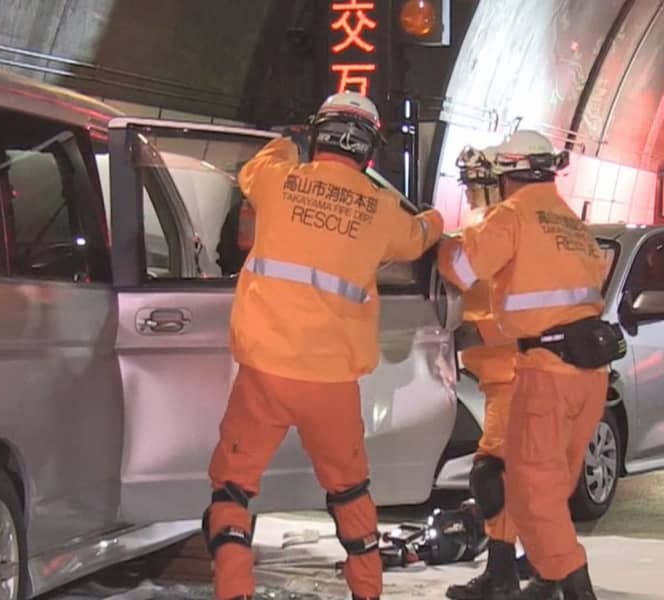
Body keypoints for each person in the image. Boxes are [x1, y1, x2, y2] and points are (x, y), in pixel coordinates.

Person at [203, 90, 444, 600]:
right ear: (368, 150)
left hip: (263, 373)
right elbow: (418, 237)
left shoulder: (278, 180)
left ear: (320, 134)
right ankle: (367, 592)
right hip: (331, 381)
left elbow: (261, 162)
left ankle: (233, 592)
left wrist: (289, 143)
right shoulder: (379, 210)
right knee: (350, 491)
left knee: (231, 488)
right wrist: (436, 219)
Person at [438, 130, 620, 600]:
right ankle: (541, 581)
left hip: (545, 373)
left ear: (507, 174)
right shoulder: (571, 223)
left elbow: (459, 270)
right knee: (547, 487)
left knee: (528, 492)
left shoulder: (511, 217)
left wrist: (434, 244)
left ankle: (573, 587)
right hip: (590, 373)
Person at [445, 145, 521, 600]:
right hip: (518, 373)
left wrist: (436, 242)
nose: (472, 193)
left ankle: (502, 575)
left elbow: (460, 272)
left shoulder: (492, 230)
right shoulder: (516, 227)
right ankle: (537, 566)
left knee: (492, 473)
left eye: (477, 184)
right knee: (523, 476)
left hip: (512, 374)